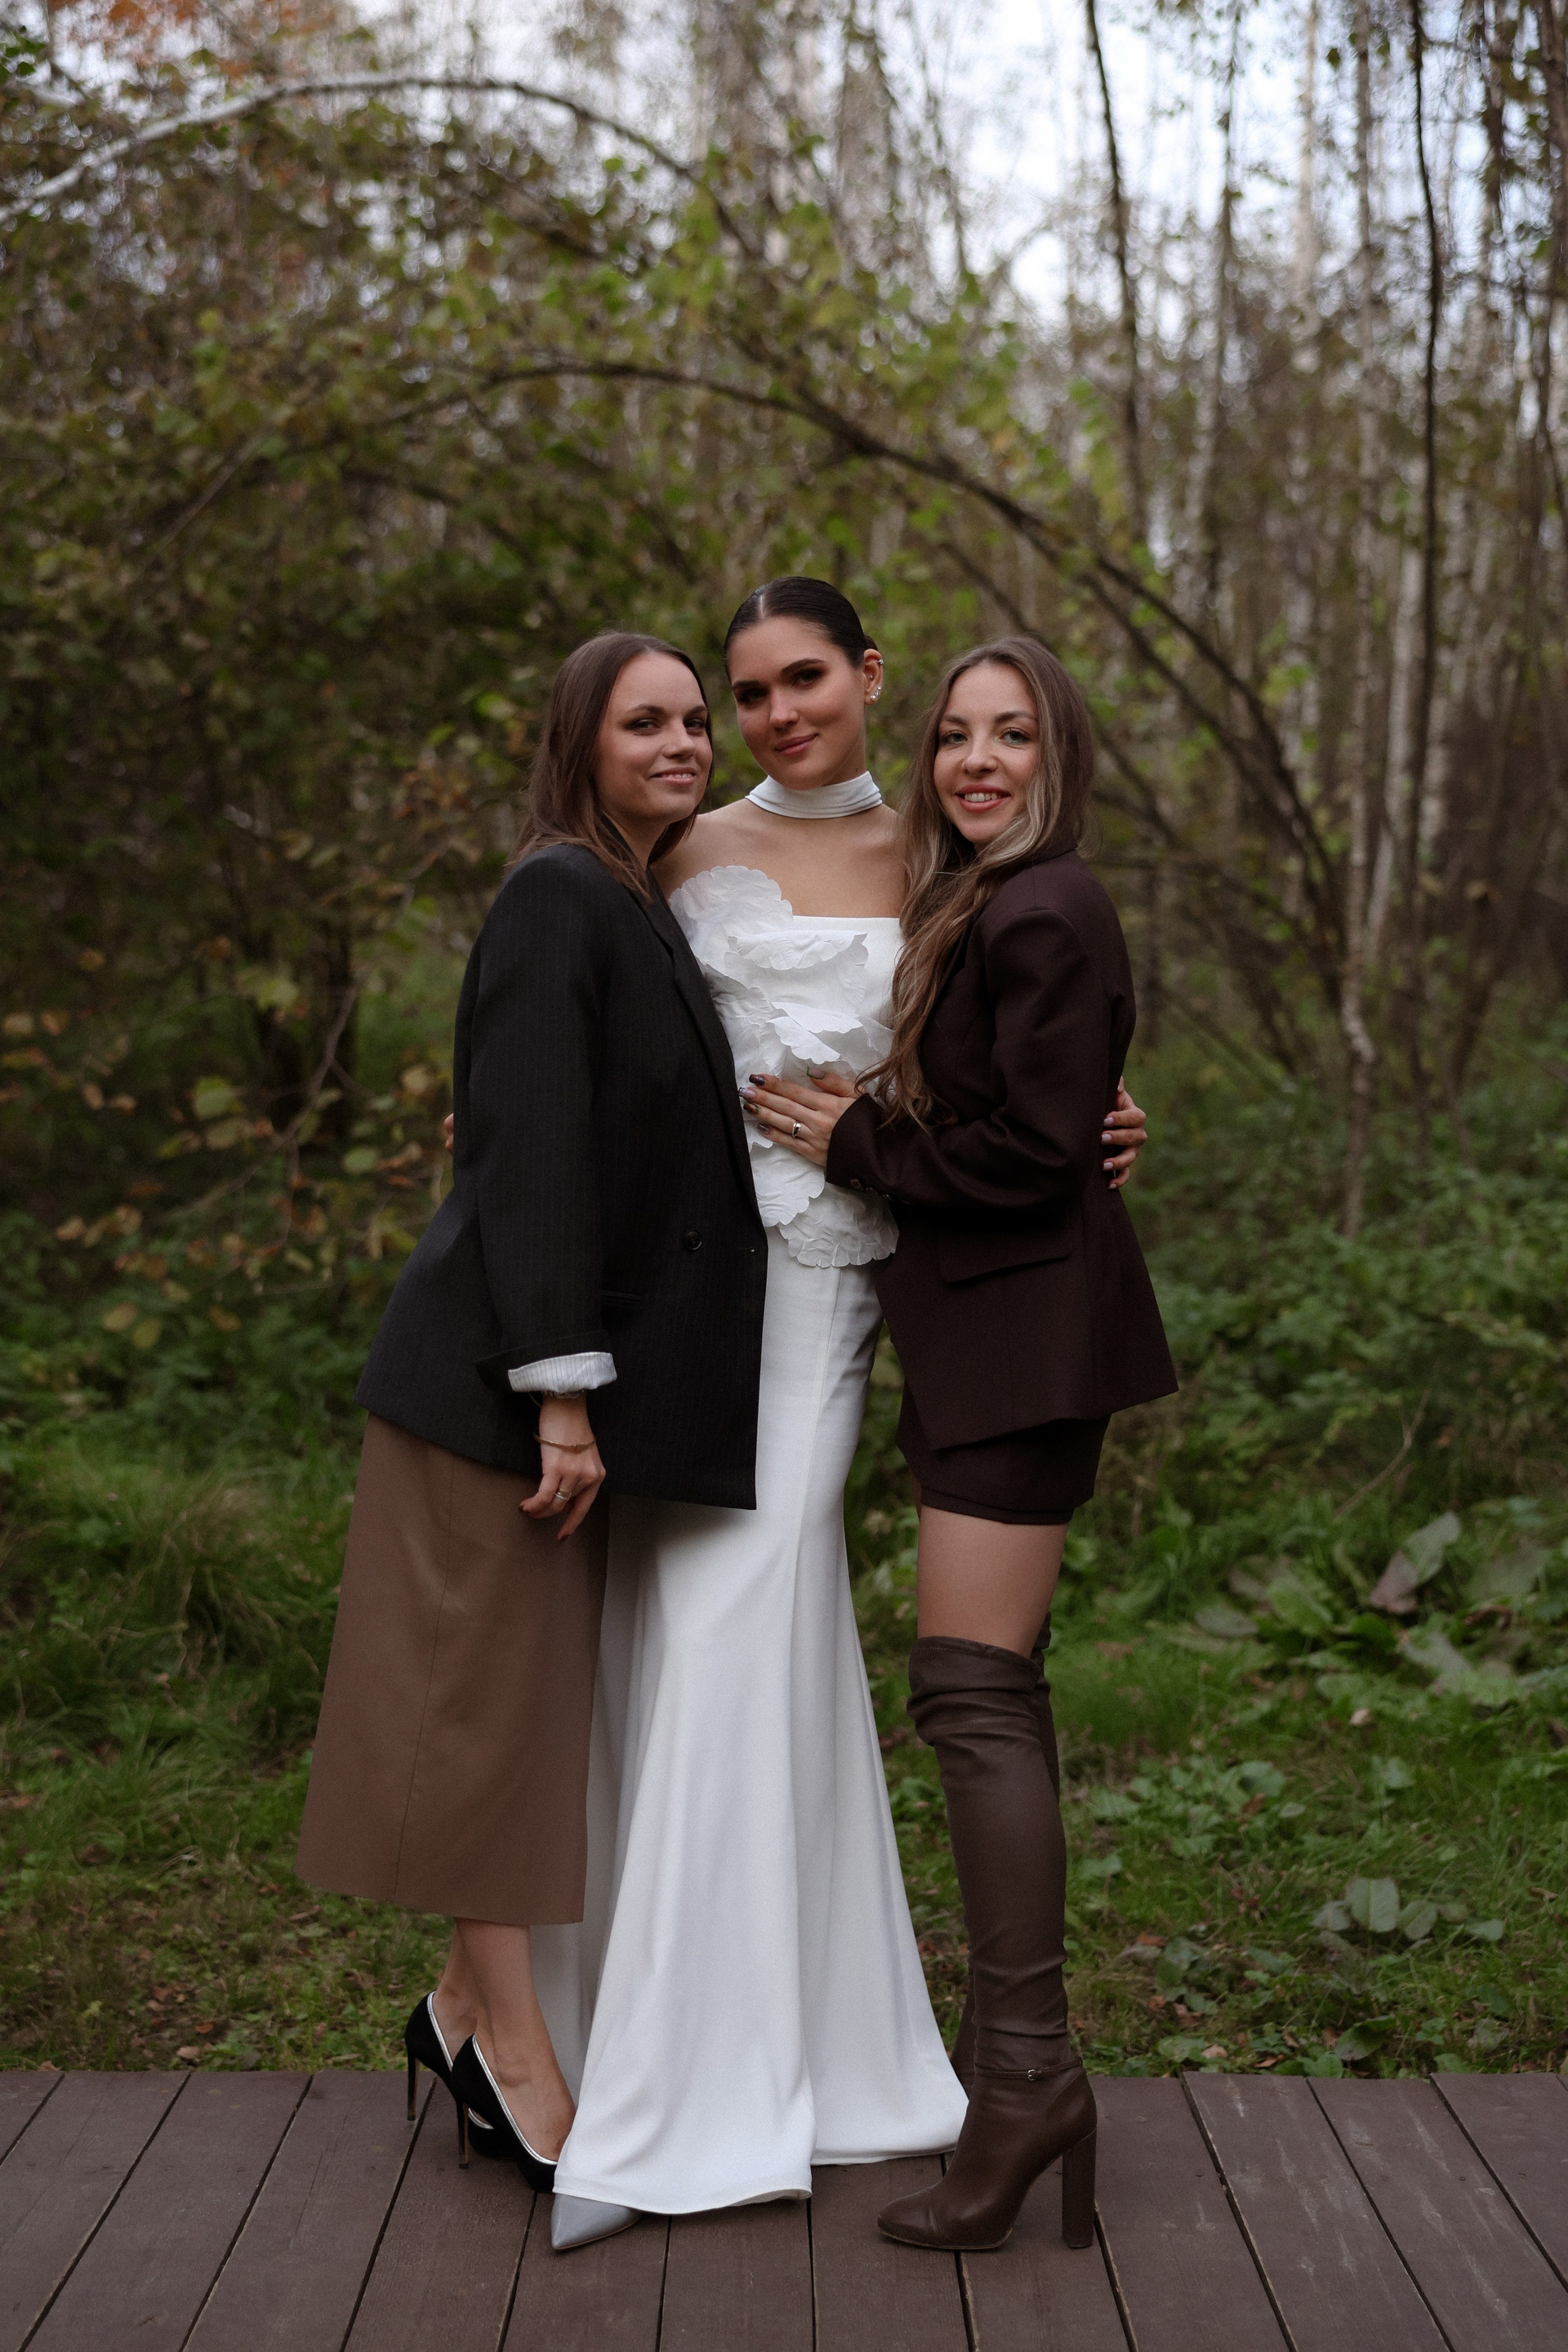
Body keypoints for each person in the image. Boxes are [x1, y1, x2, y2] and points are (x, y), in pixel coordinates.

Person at [533, 584, 1148, 2249]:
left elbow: (1009, 1050)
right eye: (745, 693)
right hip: (685, 1296)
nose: (775, 713)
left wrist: (1105, 1111)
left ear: (869, 676)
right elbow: (587, 1034)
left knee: (751, 1616)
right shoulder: (678, 845)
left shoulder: (947, 860)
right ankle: (662, 2046)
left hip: (843, 1290)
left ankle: (729, 2080)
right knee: (691, 1631)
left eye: (803, 677)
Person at [295, 633, 767, 2188]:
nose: (685, 743)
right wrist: (563, 1399)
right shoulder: (558, 893)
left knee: (521, 1722)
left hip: (544, 1392)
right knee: (482, 1723)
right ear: (581, 742)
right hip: (491, 1394)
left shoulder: (634, 897)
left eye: (694, 721)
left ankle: (455, 2011)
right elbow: (532, 1154)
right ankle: (507, 2048)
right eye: (647, 723)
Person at [745, 635, 1177, 2255]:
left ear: (1061, 754)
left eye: (1012, 735)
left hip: (1026, 1345)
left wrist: (859, 1141)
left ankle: (1026, 2088)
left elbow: (1032, 1156)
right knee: (981, 1696)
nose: (976, 761)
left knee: (975, 1700)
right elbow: (1045, 1115)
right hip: (995, 1341)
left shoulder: (1047, 905)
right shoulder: (981, 902)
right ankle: (1027, 2085)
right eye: (954, 737)